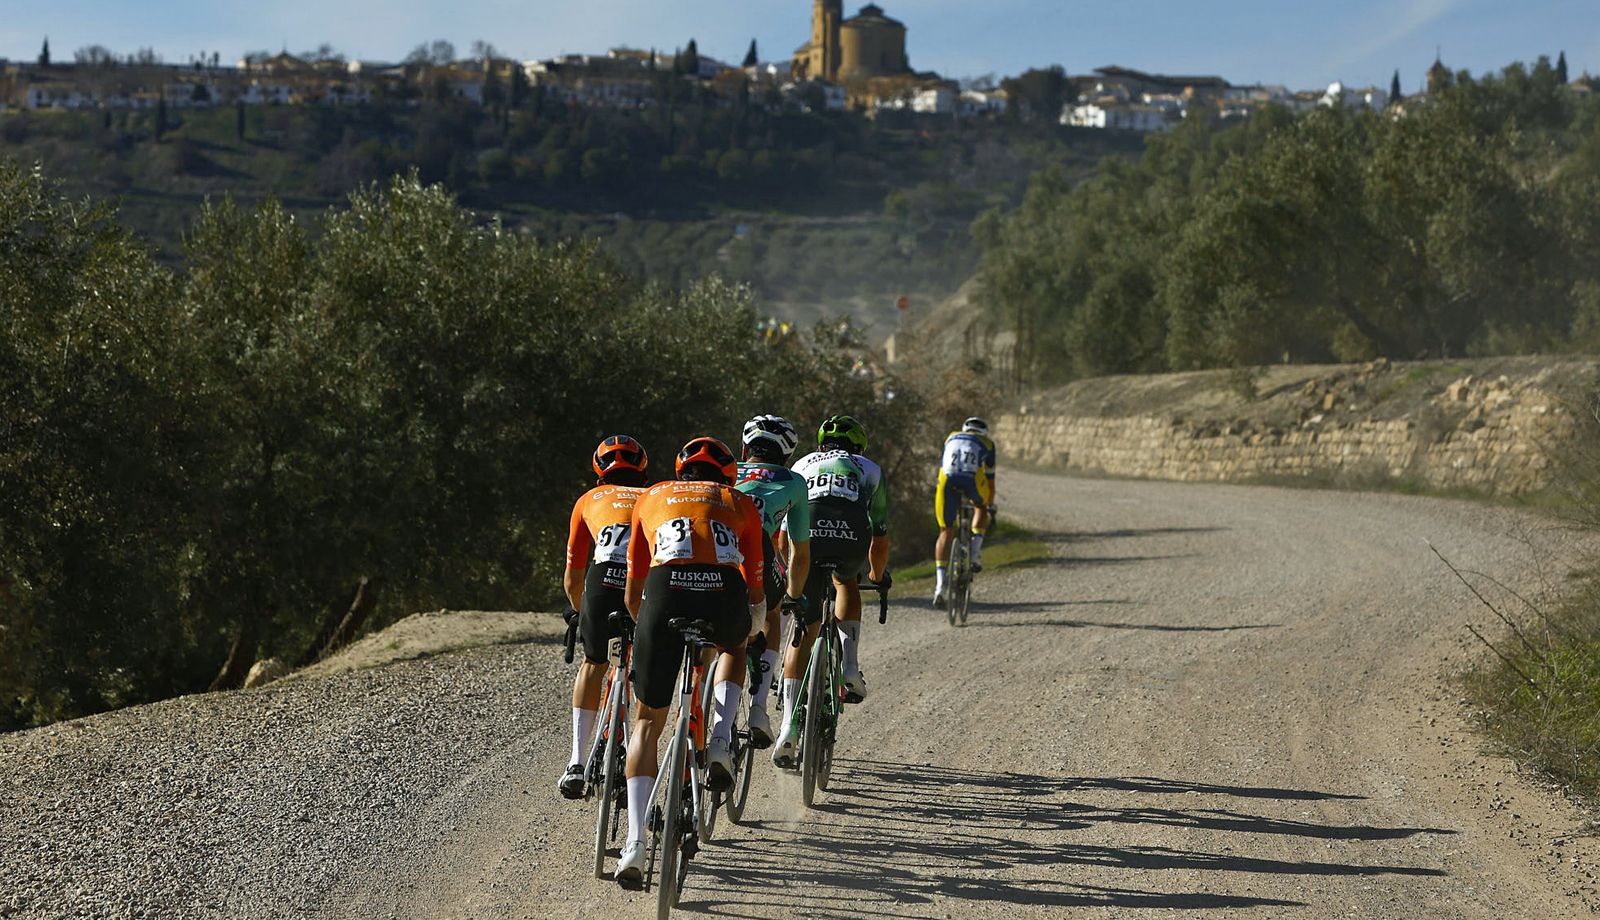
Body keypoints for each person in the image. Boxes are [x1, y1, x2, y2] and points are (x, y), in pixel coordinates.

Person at [615, 437, 764, 887]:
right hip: (723, 594)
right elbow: (755, 585)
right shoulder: (739, 501)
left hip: (662, 594)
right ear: (727, 476)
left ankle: (635, 844)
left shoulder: (651, 496)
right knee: (736, 646)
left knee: (645, 724)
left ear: (680, 472)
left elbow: (633, 585)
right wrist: (752, 624)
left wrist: (650, 631)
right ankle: (720, 738)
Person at [772, 414, 890, 769]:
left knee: (803, 633)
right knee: (845, 581)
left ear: (821, 443)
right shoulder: (870, 468)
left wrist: (787, 569)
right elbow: (880, 534)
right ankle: (850, 667)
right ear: (859, 446)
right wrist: (878, 575)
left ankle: (787, 728)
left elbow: (783, 531)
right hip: (850, 529)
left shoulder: (803, 463)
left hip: (810, 526)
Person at [557, 435, 650, 800]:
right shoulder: (653, 496)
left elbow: (572, 576)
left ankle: (577, 761)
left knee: (593, 663)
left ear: (598, 471)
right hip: (644, 580)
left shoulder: (587, 501)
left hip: (603, 578)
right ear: (642, 471)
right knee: (646, 672)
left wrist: (582, 612)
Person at [733, 415, 812, 749]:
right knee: (773, 613)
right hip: (759, 560)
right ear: (787, 455)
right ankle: (758, 707)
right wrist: (793, 595)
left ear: (746, 447)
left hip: (716, 556)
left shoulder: (728, 470)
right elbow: (799, 551)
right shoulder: (793, 481)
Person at [933, 417, 996, 609]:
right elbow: (990, 480)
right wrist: (989, 504)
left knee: (945, 530)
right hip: (971, 480)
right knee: (981, 506)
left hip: (947, 480)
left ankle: (940, 586)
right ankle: (975, 554)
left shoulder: (951, 437)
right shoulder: (988, 443)